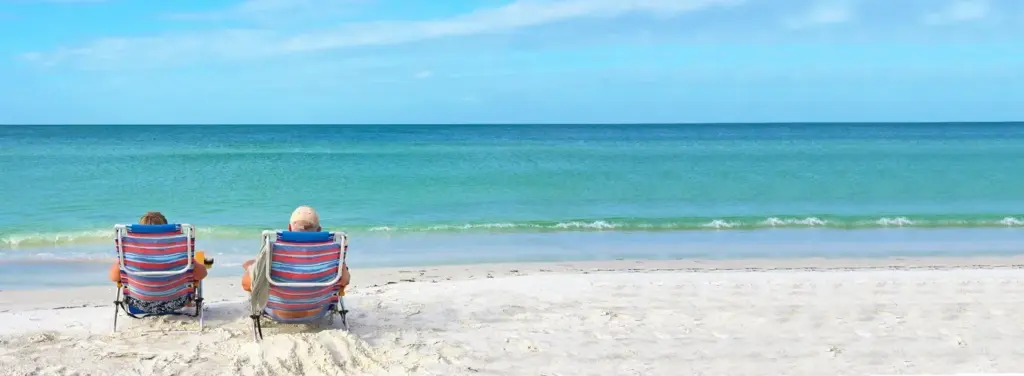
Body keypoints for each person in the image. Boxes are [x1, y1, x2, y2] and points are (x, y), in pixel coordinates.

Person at [241, 206, 351, 319]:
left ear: (289, 228)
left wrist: (251, 268)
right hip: (318, 312)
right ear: (319, 230)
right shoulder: (332, 251)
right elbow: (345, 281)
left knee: (251, 271)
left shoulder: (273, 251)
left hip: (278, 313)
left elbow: (246, 285)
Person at [108, 211, 209, 283]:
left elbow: (114, 277)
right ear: (165, 233)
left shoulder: (132, 255)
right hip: (176, 301)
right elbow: (201, 274)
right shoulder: (177, 253)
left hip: (140, 303)